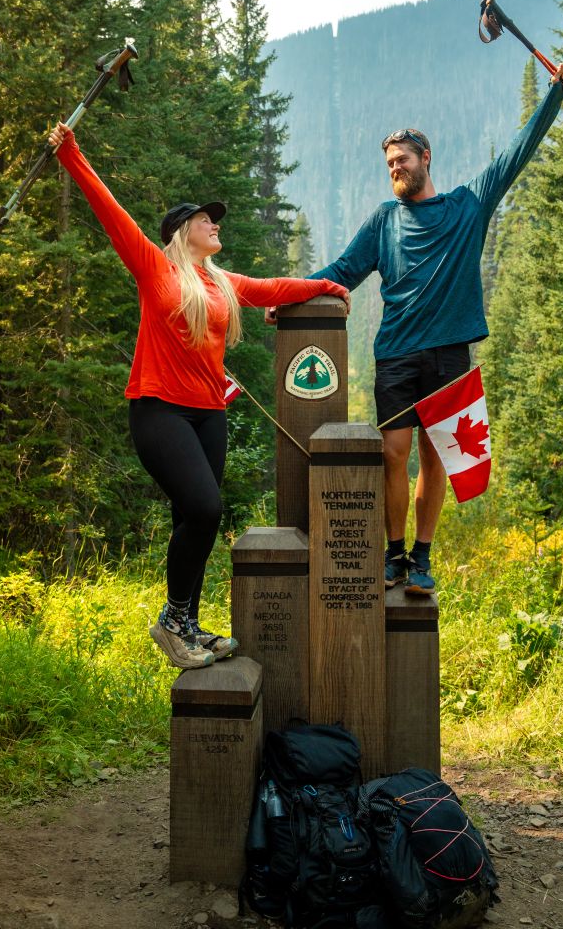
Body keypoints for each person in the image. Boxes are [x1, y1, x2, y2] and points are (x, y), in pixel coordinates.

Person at [48, 122, 349, 669]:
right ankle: (172, 620)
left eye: (214, 220)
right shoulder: (156, 268)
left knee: (194, 518)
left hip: (209, 414)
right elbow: (110, 210)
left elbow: (273, 290)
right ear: (182, 231)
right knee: (205, 508)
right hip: (158, 408)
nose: (215, 225)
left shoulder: (221, 282)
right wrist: (71, 154)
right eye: (205, 220)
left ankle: (185, 622)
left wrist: (325, 286)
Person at [299, 64, 563, 596]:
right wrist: (289, 295)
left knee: (436, 457)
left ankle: (422, 557)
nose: (395, 170)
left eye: (402, 160)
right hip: (397, 357)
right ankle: (394, 554)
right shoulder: (385, 219)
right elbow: (341, 272)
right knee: (392, 455)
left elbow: (514, 156)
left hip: (450, 356)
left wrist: (556, 95)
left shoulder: (467, 206)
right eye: (388, 165)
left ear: (426, 158)